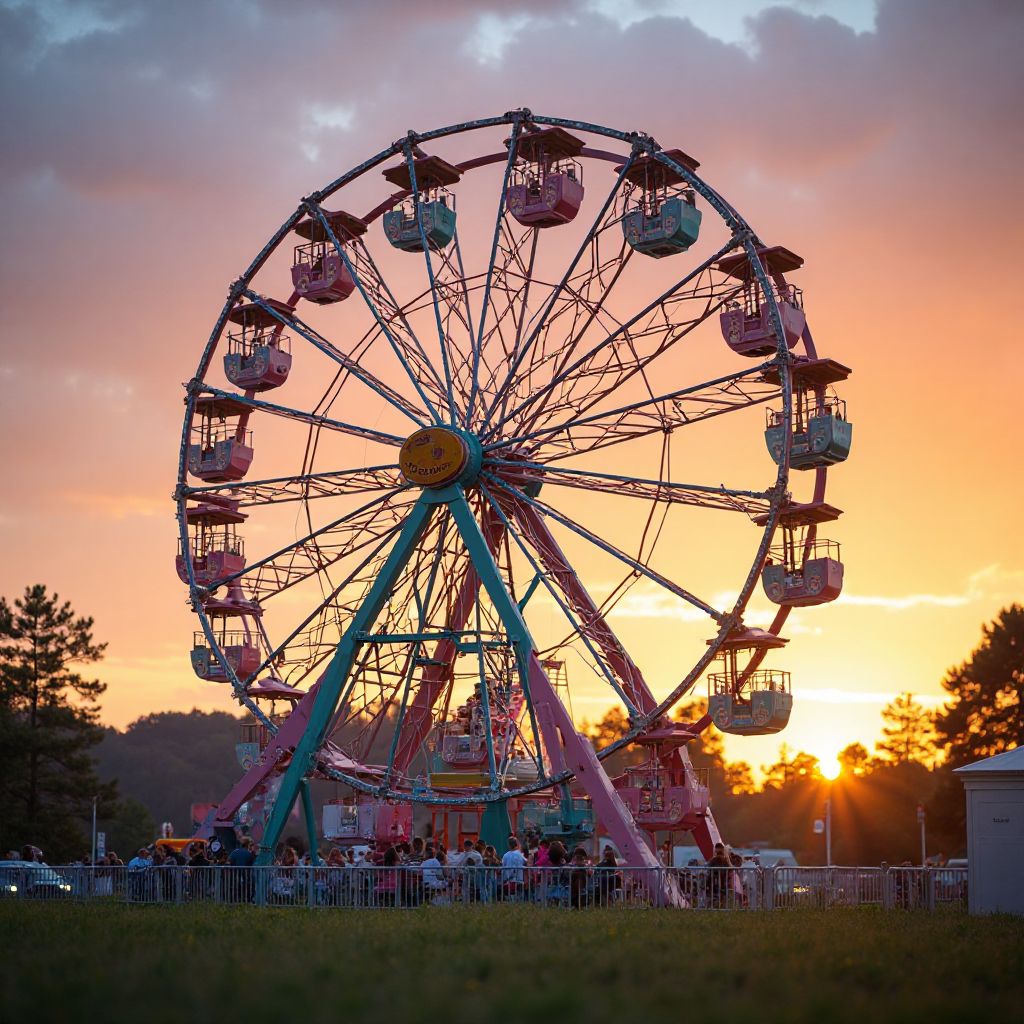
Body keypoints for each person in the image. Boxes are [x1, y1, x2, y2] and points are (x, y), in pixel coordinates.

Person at [228, 836, 256, 903]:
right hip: (246, 879)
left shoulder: (234, 852)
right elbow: (252, 866)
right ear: (248, 845)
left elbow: (229, 862)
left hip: (234, 879)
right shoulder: (249, 854)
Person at [501, 836, 528, 901]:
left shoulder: (505, 855)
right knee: (519, 901)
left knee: (509, 900)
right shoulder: (519, 854)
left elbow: (503, 868)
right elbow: (526, 863)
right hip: (518, 881)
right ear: (517, 844)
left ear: (509, 845)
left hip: (507, 881)